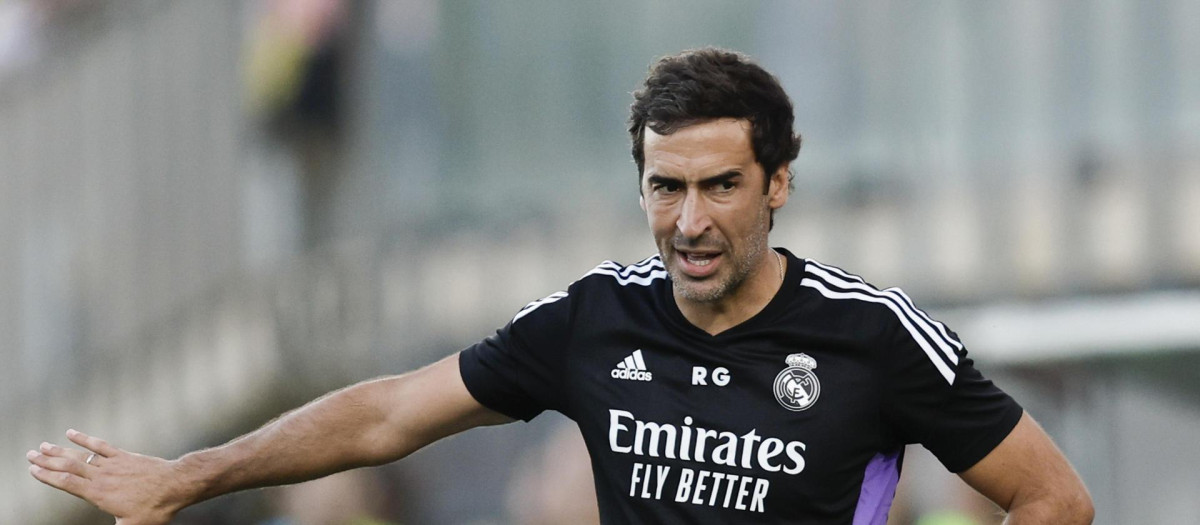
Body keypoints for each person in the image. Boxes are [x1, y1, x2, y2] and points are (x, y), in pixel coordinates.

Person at [27, 48, 1093, 524]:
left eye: (721, 186)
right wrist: (186, 475)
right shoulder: (596, 316)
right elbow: (388, 414)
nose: (690, 221)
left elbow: (1056, 500)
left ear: (779, 183)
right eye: (664, 187)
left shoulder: (873, 334)